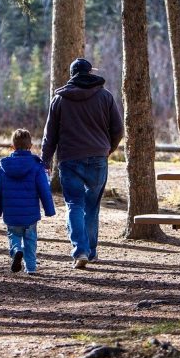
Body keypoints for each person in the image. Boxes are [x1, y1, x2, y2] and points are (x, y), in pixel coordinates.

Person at [41, 58, 124, 269]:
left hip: (69, 160)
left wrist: (46, 160)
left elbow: (49, 135)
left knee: (74, 205)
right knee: (92, 207)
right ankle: (92, 252)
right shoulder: (105, 97)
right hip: (98, 158)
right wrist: (108, 149)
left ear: (72, 75)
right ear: (89, 72)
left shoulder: (59, 100)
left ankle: (80, 251)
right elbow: (118, 129)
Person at [0, 129, 56, 274]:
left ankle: (16, 251)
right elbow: (44, 189)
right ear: (31, 146)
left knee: (13, 235)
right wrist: (49, 210)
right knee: (30, 240)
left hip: (11, 213)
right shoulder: (36, 166)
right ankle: (31, 268)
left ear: (12, 147)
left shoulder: (4, 167)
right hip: (30, 214)